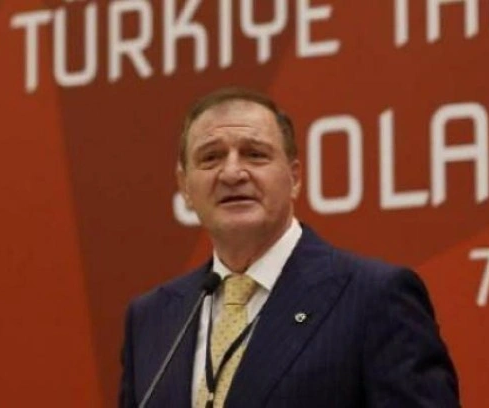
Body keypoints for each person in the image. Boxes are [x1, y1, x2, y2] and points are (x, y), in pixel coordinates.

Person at [120, 88, 460, 408]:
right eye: (210, 158)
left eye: (255, 155)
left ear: (294, 177)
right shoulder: (151, 318)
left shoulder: (374, 298)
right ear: (185, 187)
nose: (232, 173)